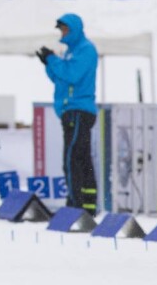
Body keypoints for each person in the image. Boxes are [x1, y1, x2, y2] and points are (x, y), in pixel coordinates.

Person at [35, 13, 98, 216]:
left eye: (64, 29)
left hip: (79, 110)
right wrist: (48, 63)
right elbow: (60, 78)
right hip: (71, 111)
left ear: (74, 29)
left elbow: (72, 75)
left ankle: (74, 206)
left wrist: (52, 60)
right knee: (82, 159)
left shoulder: (85, 50)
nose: (62, 33)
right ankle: (88, 206)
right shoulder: (71, 51)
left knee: (72, 160)